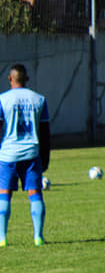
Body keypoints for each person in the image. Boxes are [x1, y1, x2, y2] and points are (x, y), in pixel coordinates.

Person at [0, 64, 50, 247]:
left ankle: (2, 238)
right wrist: (45, 158)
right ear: (27, 79)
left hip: (8, 155)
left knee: (4, 195)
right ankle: (38, 237)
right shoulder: (39, 99)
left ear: (10, 79)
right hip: (31, 153)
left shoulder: (2, 100)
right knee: (35, 194)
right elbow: (45, 133)